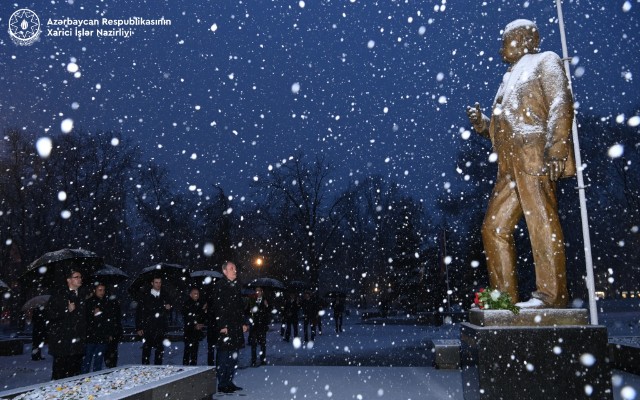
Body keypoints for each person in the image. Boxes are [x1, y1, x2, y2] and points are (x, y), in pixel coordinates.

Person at [466, 19, 575, 308]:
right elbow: (507, 122)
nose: (502, 47)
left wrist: (556, 149)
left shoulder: (545, 60)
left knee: (541, 221)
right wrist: (483, 125)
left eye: (506, 40)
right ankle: (503, 300)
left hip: (535, 153)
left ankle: (552, 296)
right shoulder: (507, 78)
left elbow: (561, 102)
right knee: (493, 227)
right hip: (508, 163)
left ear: (525, 40)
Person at [211, 262, 248, 394]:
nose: (235, 271)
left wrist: (244, 322)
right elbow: (218, 307)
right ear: (224, 271)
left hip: (236, 326)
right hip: (226, 327)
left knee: (233, 356)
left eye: (236, 268)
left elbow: (239, 307)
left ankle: (229, 381)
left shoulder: (236, 286)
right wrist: (222, 325)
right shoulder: (220, 286)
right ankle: (222, 383)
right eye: (232, 268)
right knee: (224, 356)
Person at [46, 268, 87, 380]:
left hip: (77, 344)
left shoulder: (83, 295)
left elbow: (82, 319)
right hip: (62, 344)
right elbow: (50, 315)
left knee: (75, 376)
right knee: (60, 376)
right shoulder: (58, 295)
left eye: (80, 277)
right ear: (68, 280)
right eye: (76, 277)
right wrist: (66, 310)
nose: (80, 279)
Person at [135, 276, 172, 365]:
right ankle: (145, 368)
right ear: (152, 283)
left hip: (160, 327)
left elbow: (168, 311)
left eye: (160, 282)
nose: (158, 284)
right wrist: (139, 327)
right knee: (147, 350)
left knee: (159, 350)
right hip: (148, 327)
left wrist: (168, 308)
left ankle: (158, 368)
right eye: (156, 282)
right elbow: (139, 312)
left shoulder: (165, 295)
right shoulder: (145, 296)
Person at [82, 283, 115, 373]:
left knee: (98, 359)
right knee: (87, 359)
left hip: (102, 335)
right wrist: (93, 314)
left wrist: (109, 333)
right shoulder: (89, 302)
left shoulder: (107, 302)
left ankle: (96, 377)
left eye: (103, 290)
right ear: (94, 290)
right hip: (91, 335)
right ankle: (83, 378)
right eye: (100, 290)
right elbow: (85, 319)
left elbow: (109, 319)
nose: (102, 292)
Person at [182, 287, 206, 366]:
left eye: (198, 294)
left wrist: (201, 323)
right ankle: (185, 369)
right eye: (195, 294)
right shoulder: (187, 304)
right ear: (191, 294)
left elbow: (200, 317)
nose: (197, 295)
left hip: (196, 333)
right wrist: (194, 325)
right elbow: (188, 317)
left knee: (194, 353)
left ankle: (193, 368)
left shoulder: (199, 303)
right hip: (189, 331)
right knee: (188, 352)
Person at [247, 287, 271, 367]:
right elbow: (247, 310)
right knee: (254, 344)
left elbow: (269, 311)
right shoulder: (252, 300)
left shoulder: (265, 300)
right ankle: (253, 360)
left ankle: (262, 360)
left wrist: (267, 306)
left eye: (259, 291)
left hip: (262, 325)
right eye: (256, 291)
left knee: (262, 344)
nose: (257, 292)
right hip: (254, 326)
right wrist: (250, 311)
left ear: (262, 292)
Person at [104, 292, 122, 369]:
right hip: (114, 330)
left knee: (111, 350)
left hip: (113, 330)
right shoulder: (114, 304)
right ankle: (111, 365)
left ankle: (110, 365)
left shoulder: (109, 304)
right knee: (112, 350)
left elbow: (113, 319)